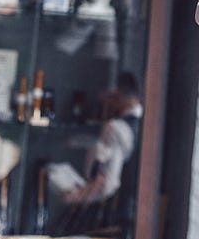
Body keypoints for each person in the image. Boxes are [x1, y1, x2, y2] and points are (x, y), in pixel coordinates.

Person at [53, 71, 142, 208]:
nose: (104, 107)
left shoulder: (116, 128)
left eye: (107, 100)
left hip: (115, 210)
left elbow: (107, 184)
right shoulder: (146, 125)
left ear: (116, 94)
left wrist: (74, 197)